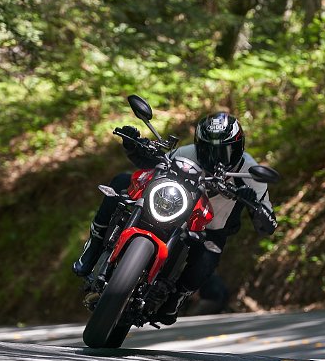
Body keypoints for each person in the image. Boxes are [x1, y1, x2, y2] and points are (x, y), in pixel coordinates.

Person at [72, 112, 278, 325]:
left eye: (224, 151)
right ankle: (93, 249)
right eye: (208, 149)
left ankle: (176, 298)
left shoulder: (250, 175)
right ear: (199, 144)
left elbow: (268, 226)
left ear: (238, 147)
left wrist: (253, 203)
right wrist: (135, 148)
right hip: (170, 209)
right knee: (121, 181)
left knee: (209, 254)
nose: (215, 157)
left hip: (210, 227)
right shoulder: (188, 153)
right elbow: (152, 170)